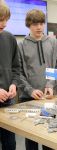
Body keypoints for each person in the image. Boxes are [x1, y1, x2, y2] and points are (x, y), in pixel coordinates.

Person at [18, 9, 57, 150]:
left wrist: (50, 84)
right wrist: (30, 90)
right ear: (28, 25)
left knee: (50, 137)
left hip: (51, 98)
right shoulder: (21, 45)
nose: (39, 27)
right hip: (29, 99)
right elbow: (18, 72)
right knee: (31, 138)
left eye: (41, 23)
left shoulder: (54, 42)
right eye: (35, 24)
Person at [0, 2, 20, 150]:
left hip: (7, 104)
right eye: (0, 19)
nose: (4, 24)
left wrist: (14, 84)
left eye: (6, 19)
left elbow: (16, 68)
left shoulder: (10, 39)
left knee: (10, 145)